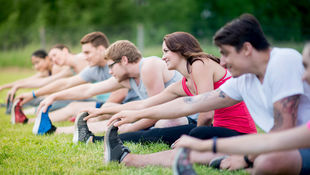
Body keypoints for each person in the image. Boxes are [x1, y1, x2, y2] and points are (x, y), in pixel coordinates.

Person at [105, 14, 310, 175]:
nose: (222, 62)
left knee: (268, 161)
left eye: (226, 53)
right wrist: (135, 114)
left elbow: (284, 132)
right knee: (199, 146)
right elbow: (191, 103)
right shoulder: (244, 80)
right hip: (283, 145)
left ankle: (238, 162)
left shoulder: (282, 61)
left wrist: (246, 157)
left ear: (247, 49)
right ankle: (128, 160)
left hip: (295, 146)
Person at [76, 32, 256, 147]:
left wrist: (194, 139)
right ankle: (94, 140)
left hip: (240, 134)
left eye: (166, 52)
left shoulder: (200, 64)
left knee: (196, 132)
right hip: (216, 129)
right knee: (157, 134)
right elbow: (146, 104)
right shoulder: (183, 84)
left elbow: (207, 114)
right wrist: (105, 110)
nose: (163, 57)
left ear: (180, 50)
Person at [172, 42, 310, 175]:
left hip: (243, 135)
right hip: (260, 141)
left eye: (307, 67)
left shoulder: (200, 65)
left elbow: (278, 137)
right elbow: (280, 138)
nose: (303, 76)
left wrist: (244, 158)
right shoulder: (241, 80)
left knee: (267, 161)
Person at [32, 39, 181, 136]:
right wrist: (54, 96)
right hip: (161, 114)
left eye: (111, 66)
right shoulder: (127, 77)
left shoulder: (149, 66)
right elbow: (88, 89)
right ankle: (54, 131)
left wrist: (128, 128)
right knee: (121, 122)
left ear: (123, 60)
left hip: (185, 117)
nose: (109, 71)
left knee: (157, 123)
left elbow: (156, 111)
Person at [13, 32, 131, 125]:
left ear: (100, 49)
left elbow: (120, 93)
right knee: (73, 106)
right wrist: (34, 94)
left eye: (87, 52)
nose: (84, 57)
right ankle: (29, 121)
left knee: (87, 112)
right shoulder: (94, 68)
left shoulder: (117, 63)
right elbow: (65, 83)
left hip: (128, 106)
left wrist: (101, 111)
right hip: (109, 104)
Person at [0, 49, 53, 114]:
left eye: (37, 62)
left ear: (47, 58)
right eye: (34, 64)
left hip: (54, 101)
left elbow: (40, 83)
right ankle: (9, 105)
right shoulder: (46, 72)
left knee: (33, 100)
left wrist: (17, 86)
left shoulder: (56, 69)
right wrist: (3, 87)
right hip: (45, 98)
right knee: (25, 100)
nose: (36, 67)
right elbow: (26, 80)